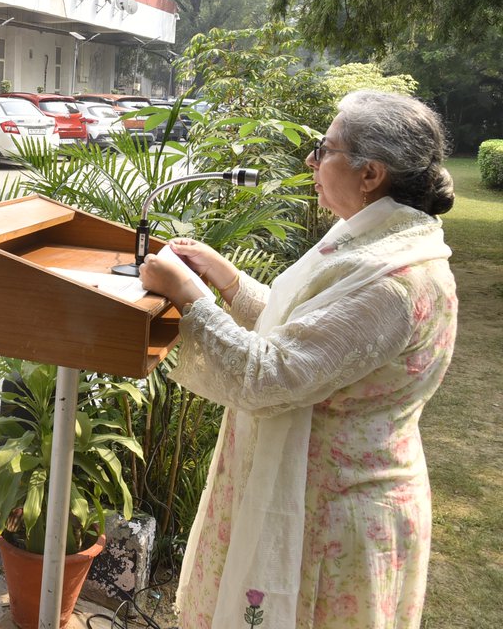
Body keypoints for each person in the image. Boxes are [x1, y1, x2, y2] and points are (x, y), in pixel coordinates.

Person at [138, 90, 458, 629]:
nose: (311, 160)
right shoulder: (373, 241)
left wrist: (191, 299)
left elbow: (273, 374)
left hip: (332, 520)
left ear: (370, 173)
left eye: (324, 148)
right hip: (313, 493)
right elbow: (315, 336)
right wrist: (228, 279)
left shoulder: (396, 281)